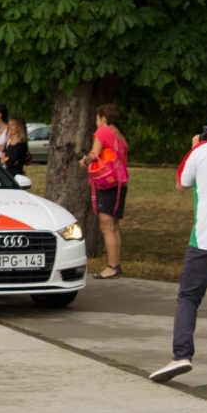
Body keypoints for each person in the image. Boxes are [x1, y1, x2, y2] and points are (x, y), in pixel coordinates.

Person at [149, 103, 207, 384]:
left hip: (205, 239)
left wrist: (195, 147)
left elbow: (181, 184)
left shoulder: (201, 152)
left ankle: (182, 355)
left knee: (189, 298)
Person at [79, 103, 129, 280]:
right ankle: (116, 264)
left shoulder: (103, 132)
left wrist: (84, 161)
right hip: (120, 182)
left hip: (108, 184)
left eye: (97, 118)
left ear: (104, 118)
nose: (96, 122)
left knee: (106, 226)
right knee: (114, 227)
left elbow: (94, 154)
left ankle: (111, 267)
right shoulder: (119, 135)